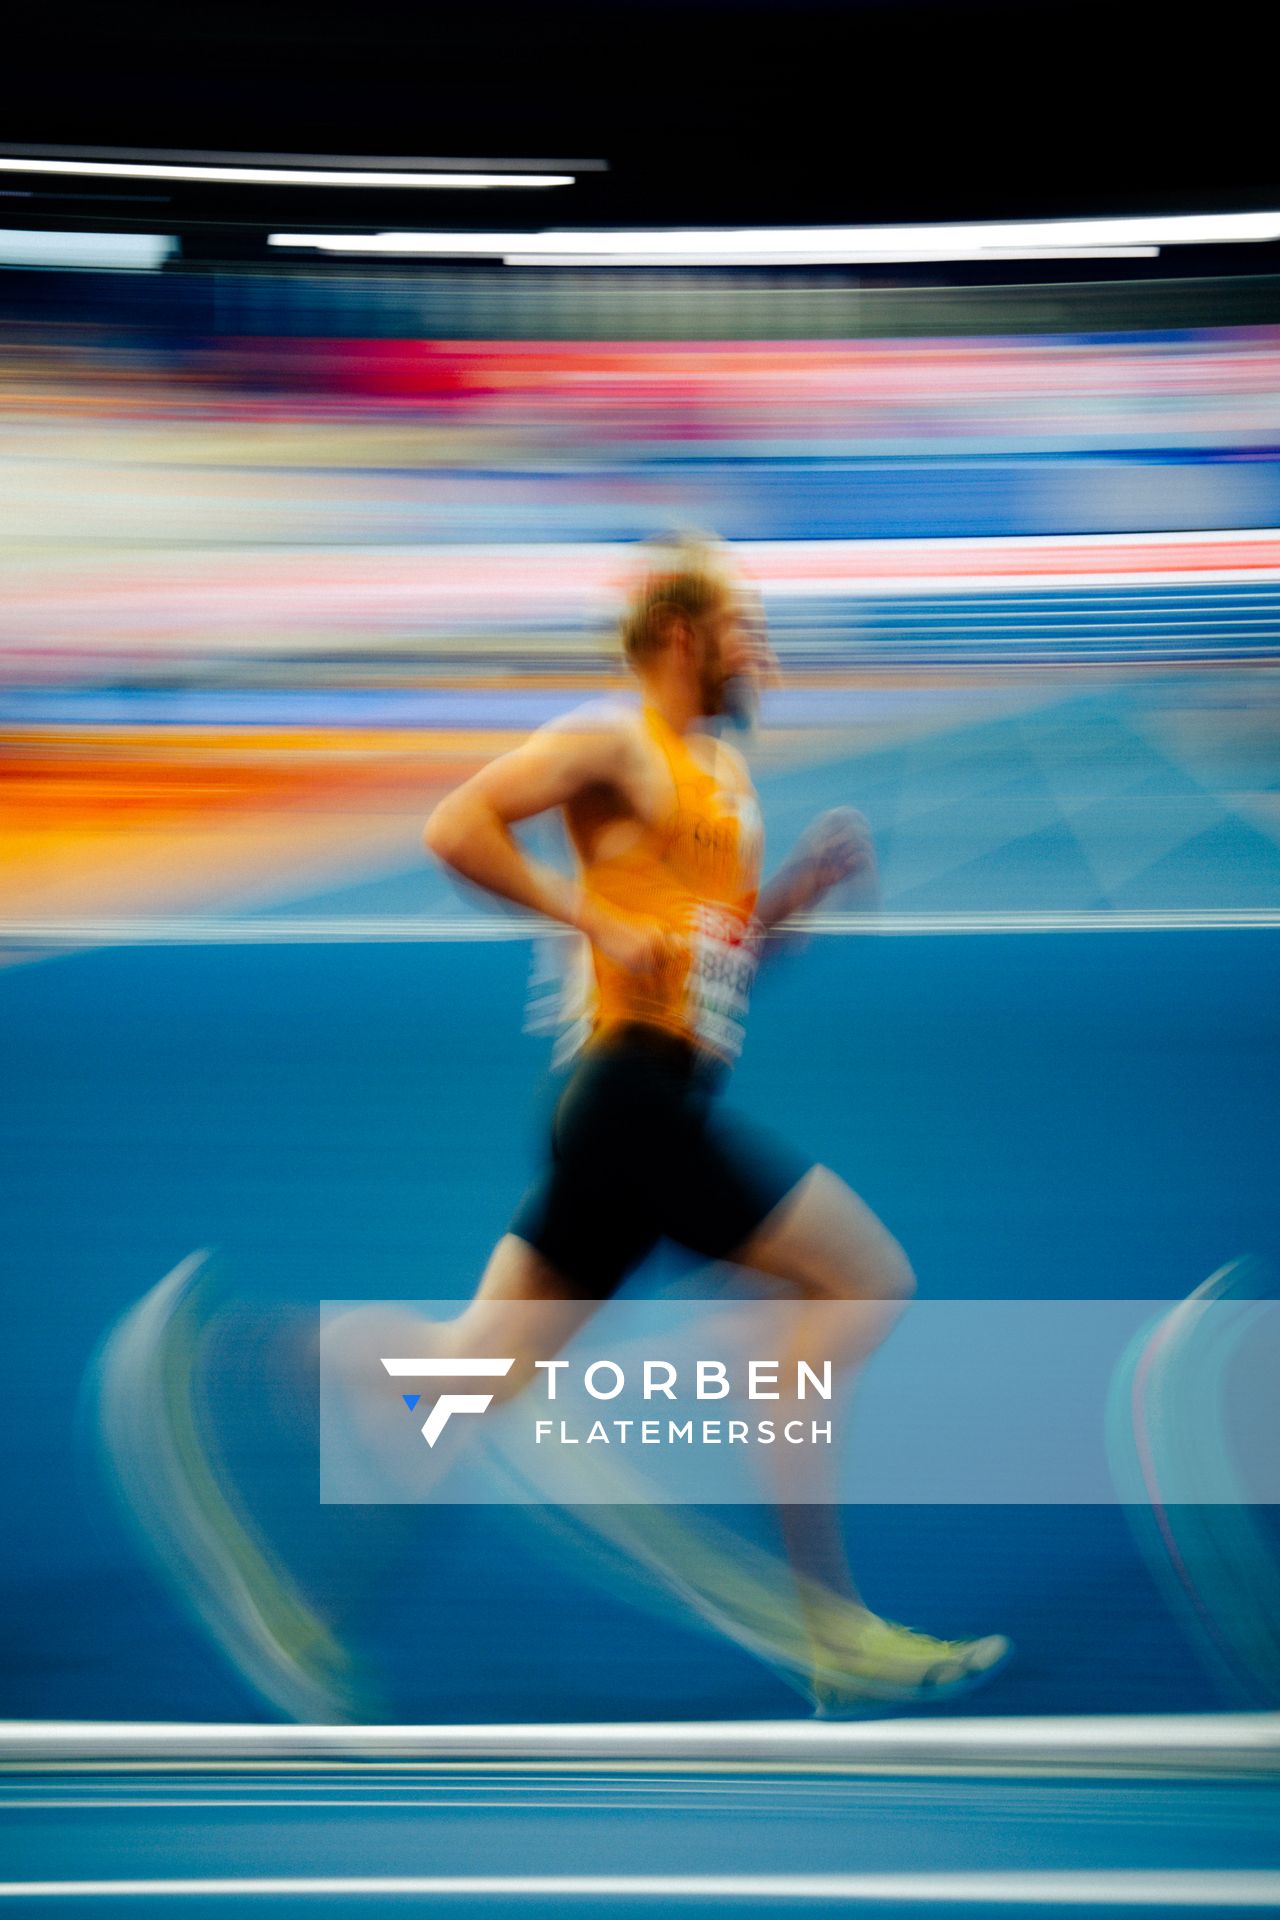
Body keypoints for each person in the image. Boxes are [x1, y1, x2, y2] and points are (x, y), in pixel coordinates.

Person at [96, 533, 1009, 1722]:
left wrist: (795, 895)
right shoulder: (611, 740)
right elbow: (455, 827)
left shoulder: (716, 784)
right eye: (743, 629)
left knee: (464, 1380)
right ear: (680, 636)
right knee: (854, 1281)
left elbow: (716, 969)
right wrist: (587, 919)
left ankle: (237, 1357)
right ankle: (829, 1627)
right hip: (624, 1103)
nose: (762, 652)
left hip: (645, 1111)